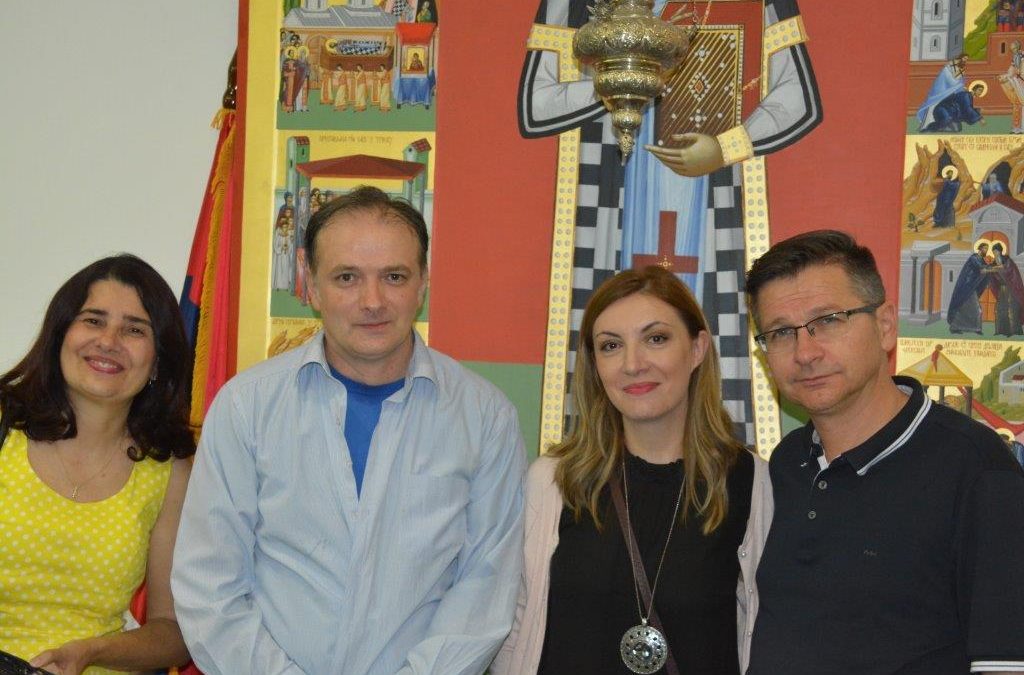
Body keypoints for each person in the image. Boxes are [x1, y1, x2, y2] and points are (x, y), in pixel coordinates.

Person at [171, 185, 527, 674]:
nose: (372, 301)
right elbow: (209, 585)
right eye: (347, 277)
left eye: (394, 277)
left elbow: (485, 588)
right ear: (310, 284)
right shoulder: (246, 407)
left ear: (423, 282)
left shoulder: (485, 419)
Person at [518, 0, 822, 445]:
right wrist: (624, 78)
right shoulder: (573, 3)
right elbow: (536, 105)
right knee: (611, 337)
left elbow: (798, 98)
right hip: (609, 195)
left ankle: (719, 456)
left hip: (710, 195)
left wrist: (727, 147)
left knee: (715, 332)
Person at [744, 230, 1024, 674]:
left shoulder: (977, 470)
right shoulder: (787, 464)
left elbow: (1005, 663)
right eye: (780, 333)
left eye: (828, 320)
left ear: (886, 325)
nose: (805, 352)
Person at [493, 265, 770, 675]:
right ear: (594, 364)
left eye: (656, 339)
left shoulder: (750, 482)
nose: (633, 364)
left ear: (697, 349)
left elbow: (761, 635)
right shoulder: (553, 481)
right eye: (610, 346)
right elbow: (516, 628)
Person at [0, 254, 195, 675]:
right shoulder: (3, 429)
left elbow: (172, 633)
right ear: (60, 335)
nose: (108, 341)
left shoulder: (168, 469)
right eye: (93, 320)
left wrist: (92, 651)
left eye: (134, 329)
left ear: (158, 361)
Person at [917, 53, 985, 132]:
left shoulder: (966, 93)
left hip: (951, 109)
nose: (965, 60)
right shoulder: (950, 67)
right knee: (945, 120)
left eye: (966, 59)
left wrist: (977, 111)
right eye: (964, 58)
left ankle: (941, 125)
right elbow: (967, 108)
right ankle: (928, 127)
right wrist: (980, 118)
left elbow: (966, 109)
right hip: (943, 95)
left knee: (957, 128)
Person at [947, 240, 990, 334]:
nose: (986, 250)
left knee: (964, 308)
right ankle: (974, 328)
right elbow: (982, 269)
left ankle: (957, 328)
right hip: (967, 287)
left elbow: (985, 268)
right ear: (980, 249)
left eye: (987, 249)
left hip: (972, 287)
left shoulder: (981, 259)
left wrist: (990, 268)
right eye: (985, 248)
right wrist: (991, 268)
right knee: (976, 309)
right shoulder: (974, 258)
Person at [987, 241, 1024, 336]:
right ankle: (1000, 330)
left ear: (1000, 251)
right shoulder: (994, 263)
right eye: (994, 252)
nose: (995, 254)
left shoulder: (1007, 260)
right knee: (999, 309)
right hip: (1001, 288)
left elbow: (1006, 270)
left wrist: (994, 268)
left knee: (1011, 309)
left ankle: (1014, 331)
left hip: (1011, 288)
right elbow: (991, 272)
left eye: (996, 252)